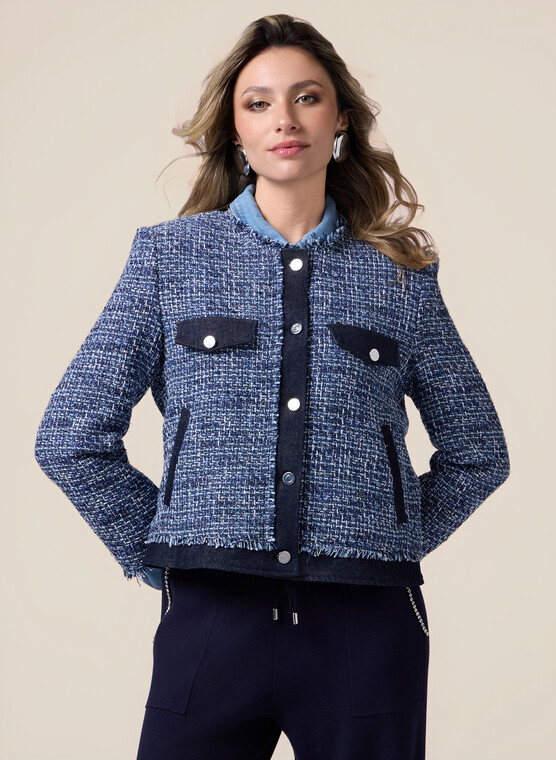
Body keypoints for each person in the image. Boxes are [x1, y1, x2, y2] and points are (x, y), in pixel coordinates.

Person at [34, 13, 510, 760]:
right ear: (235, 129)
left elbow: (479, 450)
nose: (284, 119)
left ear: (340, 117)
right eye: (258, 103)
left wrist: (388, 533)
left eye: (306, 97)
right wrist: (160, 548)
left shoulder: (400, 276)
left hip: (366, 627)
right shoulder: (169, 259)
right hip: (212, 620)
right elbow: (69, 436)